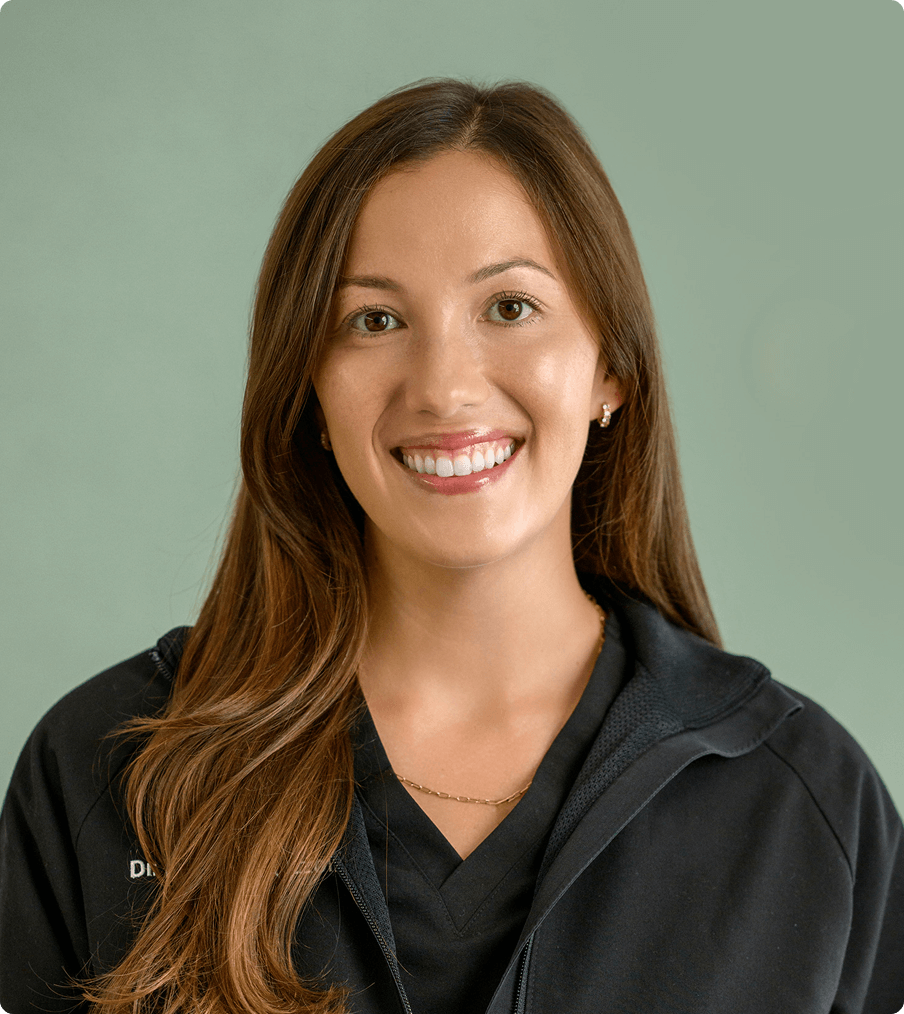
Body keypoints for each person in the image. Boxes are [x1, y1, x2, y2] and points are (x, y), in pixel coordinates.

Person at [1, 76, 902, 1014]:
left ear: (611, 367)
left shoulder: (805, 804)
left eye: (509, 308)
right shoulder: (108, 771)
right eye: (375, 320)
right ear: (309, 391)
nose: (443, 387)